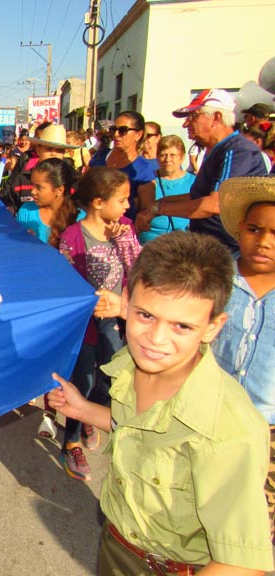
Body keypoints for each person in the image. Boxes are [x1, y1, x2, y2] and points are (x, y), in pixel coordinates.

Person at [48, 231, 272, 575]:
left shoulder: (229, 428)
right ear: (127, 301)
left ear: (212, 327)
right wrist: (83, 410)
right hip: (115, 544)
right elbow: (141, 427)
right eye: (146, 316)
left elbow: (240, 563)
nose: (155, 339)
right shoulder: (128, 366)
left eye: (182, 326)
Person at [54, 167, 141, 481]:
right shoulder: (72, 236)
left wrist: (125, 241)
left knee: (111, 383)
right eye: (122, 199)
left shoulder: (126, 229)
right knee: (83, 381)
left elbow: (138, 271)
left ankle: (92, 413)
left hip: (118, 325)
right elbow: (64, 284)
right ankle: (71, 441)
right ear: (98, 203)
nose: (127, 206)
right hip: (86, 328)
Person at [214, 176, 275, 540]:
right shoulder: (218, 279)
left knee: (257, 515)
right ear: (240, 230)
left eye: (274, 233)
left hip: (267, 426)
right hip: (212, 412)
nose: (264, 241)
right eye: (255, 229)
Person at [136, 89, 268, 251]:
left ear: (216, 118)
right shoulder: (216, 150)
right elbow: (198, 196)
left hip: (230, 252)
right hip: (211, 248)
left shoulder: (237, 151)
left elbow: (215, 204)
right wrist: (160, 203)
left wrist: (158, 209)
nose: (186, 124)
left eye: (193, 116)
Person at [89, 111, 155, 221]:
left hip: (121, 230)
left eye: (123, 130)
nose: (116, 134)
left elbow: (146, 210)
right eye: (114, 129)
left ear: (138, 135)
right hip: (91, 225)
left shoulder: (143, 169)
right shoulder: (100, 155)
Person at [6, 124, 79, 211]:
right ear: (38, 149)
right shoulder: (23, 178)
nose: (53, 154)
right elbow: (9, 202)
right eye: (49, 149)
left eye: (59, 150)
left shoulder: (74, 180)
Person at [136, 135, 192, 244]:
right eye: (163, 155)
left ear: (182, 157)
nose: (167, 160)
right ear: (157, 157)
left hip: (181, 243)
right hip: (149, 243)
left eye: (173, 155)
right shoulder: (147, 180)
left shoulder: (194, 182)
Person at [15, 158, 78, 246]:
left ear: (59, 190)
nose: (33, 191)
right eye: (33, 185)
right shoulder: (26, 211)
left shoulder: (78, 218)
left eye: (39, 187)